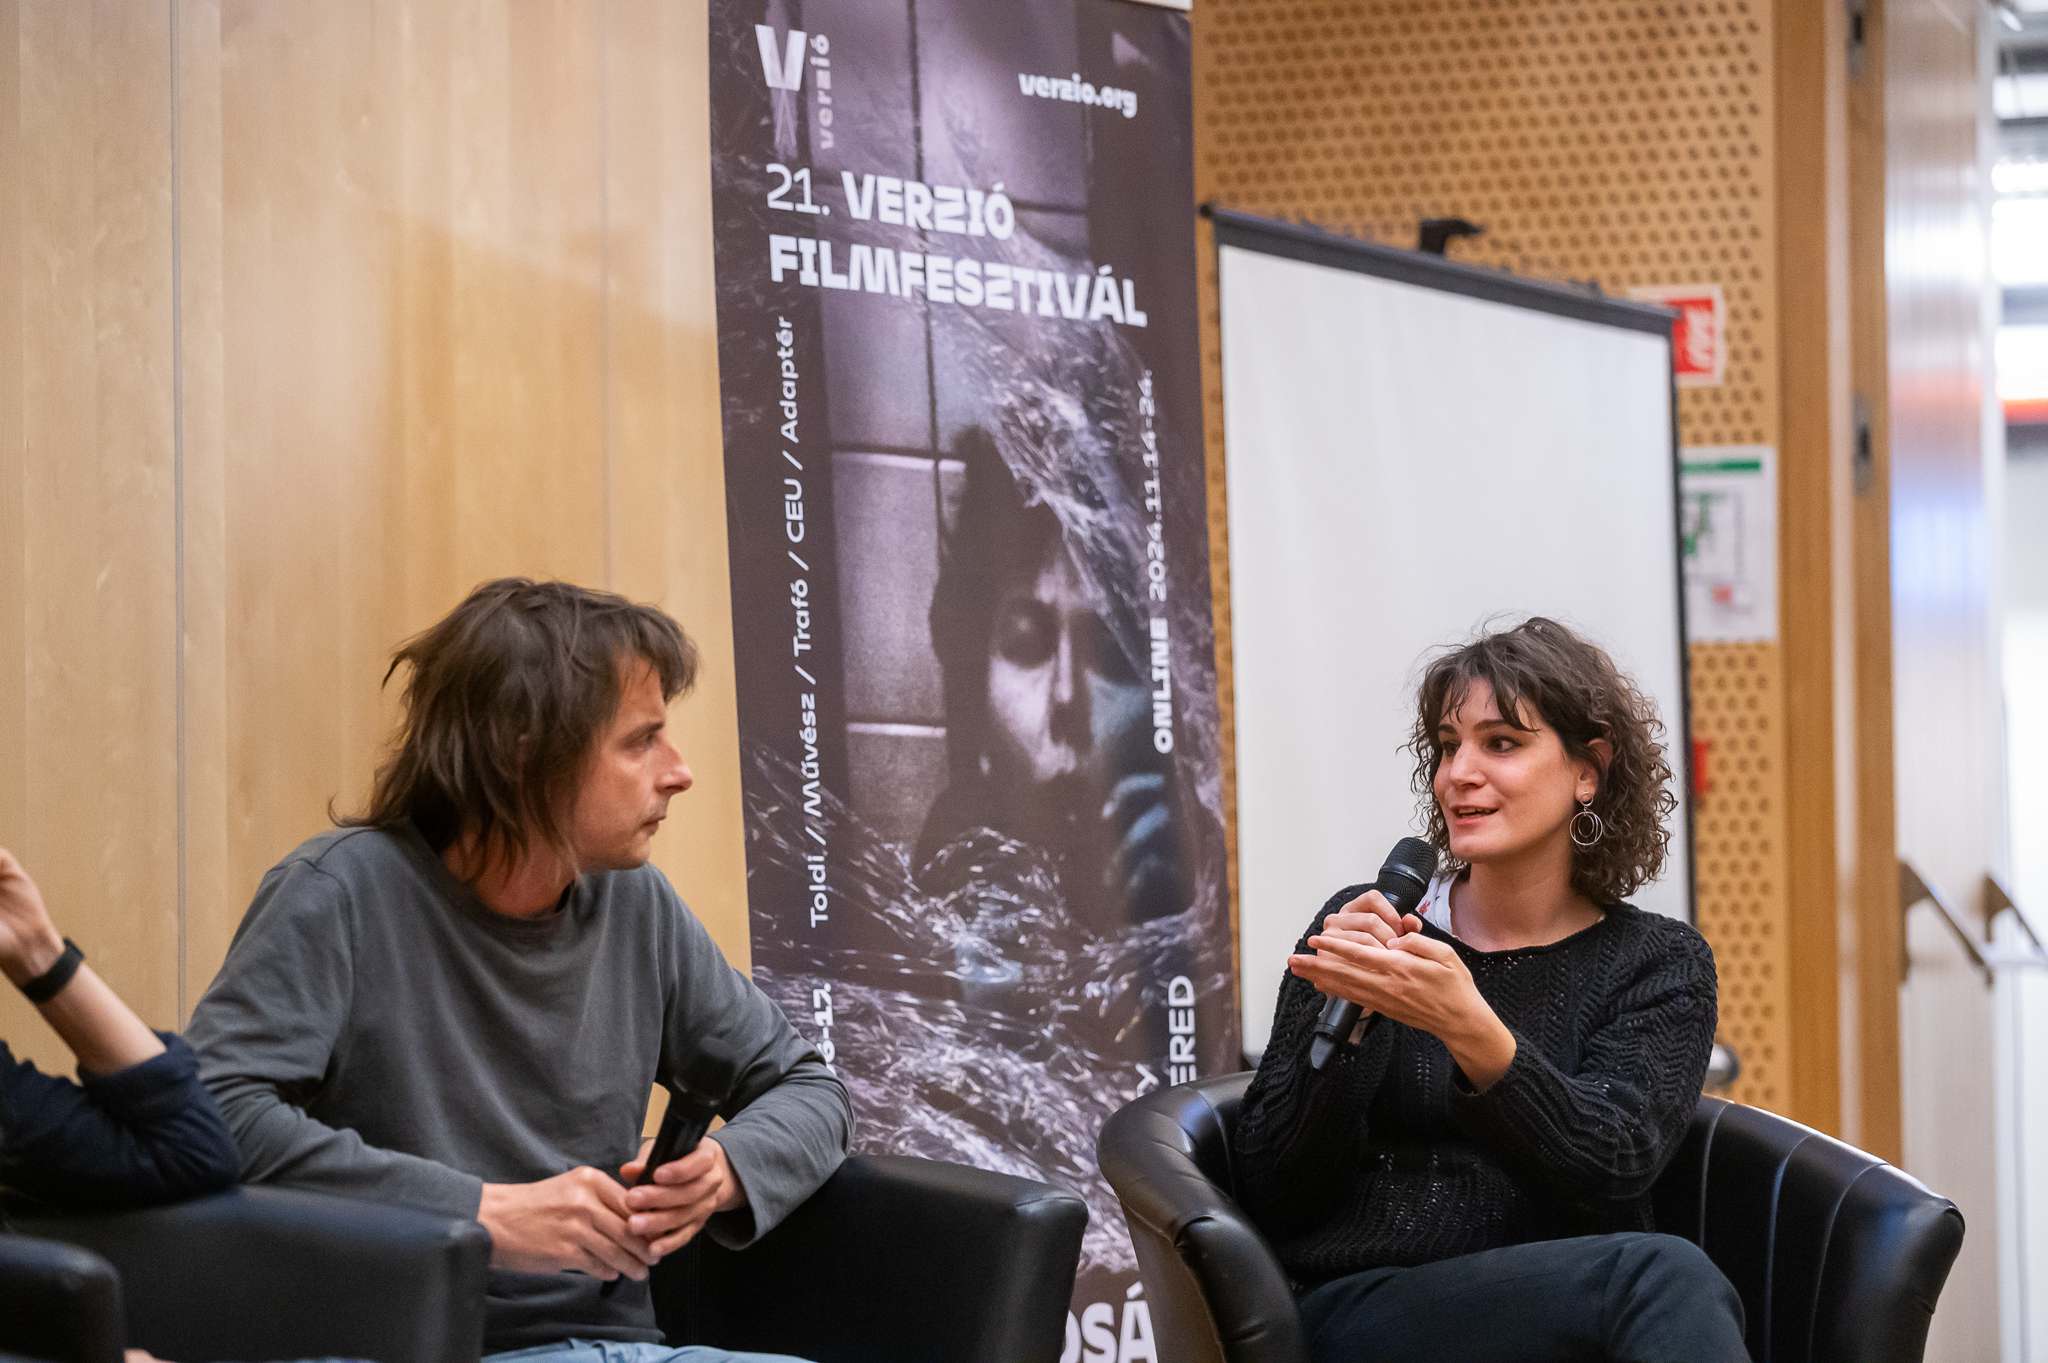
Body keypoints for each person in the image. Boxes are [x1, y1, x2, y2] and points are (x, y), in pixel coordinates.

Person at [185, 579, 852, 1363]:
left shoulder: (636, 903)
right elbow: (215, 1114)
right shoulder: (338, 893)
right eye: (641, 741)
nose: (679, 772)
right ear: (523, 755)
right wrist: (482, 1211)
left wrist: (722, 1168)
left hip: (613, 1346)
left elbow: (809, 1087)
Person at [1234, 616, 1744, 1363]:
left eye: (1500, 743)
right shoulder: (1371, 928)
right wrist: (1352, 1036)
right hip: (1366, 1311)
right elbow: (1270, 1188)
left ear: (1589, 769)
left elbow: (1617, 1165)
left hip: (1569, 1313)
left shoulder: (1658, 962)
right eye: (1448, 746)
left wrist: (1472, 1030)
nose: (1458, 774)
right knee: (1666, 1279)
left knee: (1659, 1281)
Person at [919, 427, 1188, 926]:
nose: (1066, 698)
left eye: (1112, 655)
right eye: (1025, 645)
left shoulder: (1209, 864)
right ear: (975, 681)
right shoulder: (949, 864)